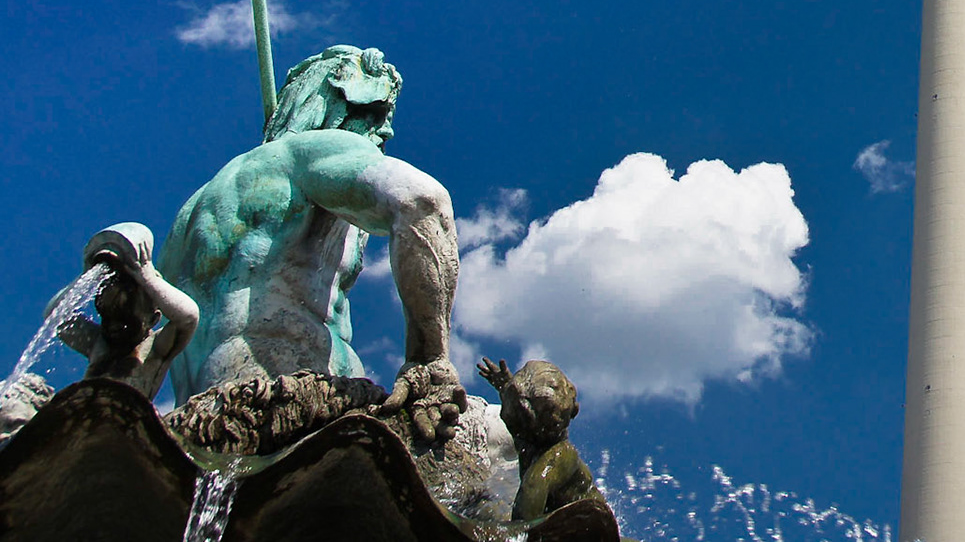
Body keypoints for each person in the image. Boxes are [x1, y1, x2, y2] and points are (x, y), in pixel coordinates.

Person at [158, 45, 465, 441]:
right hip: (288, 390)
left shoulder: (192, 212)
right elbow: (422, 201)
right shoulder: (313, 151)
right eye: (376, 114)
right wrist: (430, 361)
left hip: (203, 414)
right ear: (336, 103)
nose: (385, 132)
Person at [53, 222, 199, 399]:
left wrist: (147, 277)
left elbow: (188, 317)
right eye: (107, 317)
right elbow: (55, 314)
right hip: (87, 420)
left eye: (126, 320)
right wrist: (87, 276)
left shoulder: (156, 347)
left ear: (153, 319)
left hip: (129, 421)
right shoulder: (99, 344)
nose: (114, 325)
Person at [476, 356, 605, 521]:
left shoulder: (561, 455)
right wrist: (505, 386)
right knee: (485, 509)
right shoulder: (528, 438)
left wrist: (512, 535)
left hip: (596, 527)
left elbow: (530, 492)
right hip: (558, 522)